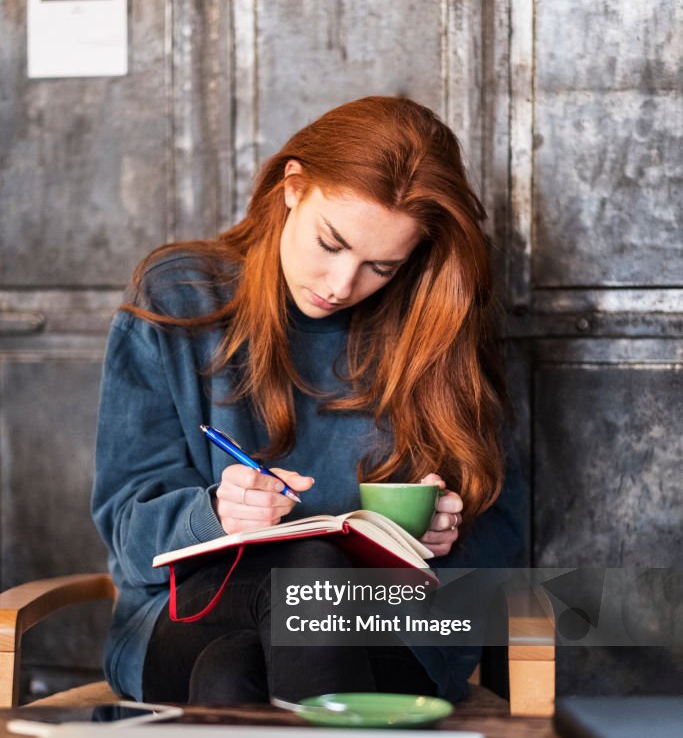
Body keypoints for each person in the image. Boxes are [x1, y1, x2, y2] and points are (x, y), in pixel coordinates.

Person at [92, 95, 525, 706]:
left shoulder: (439, 326)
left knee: (230, 673)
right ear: (294, 186)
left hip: (388, 631)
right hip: (191, 613)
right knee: (306, 573)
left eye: (381, 266)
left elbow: (500, 546)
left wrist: (443, 538)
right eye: (330, 243)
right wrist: (216, 511)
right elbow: (127, 532)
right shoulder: (179, 297)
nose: (341, 285)